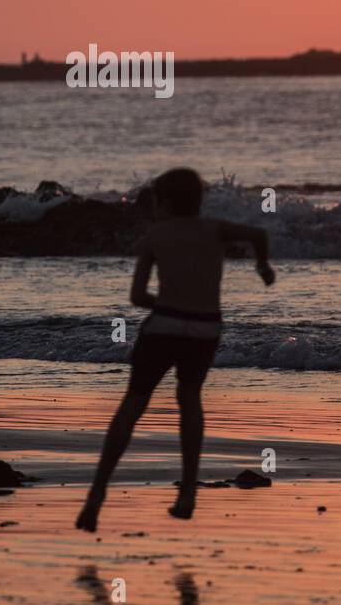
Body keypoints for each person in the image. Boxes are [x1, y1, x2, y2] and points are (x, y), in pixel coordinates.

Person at [75, 167, 275, 532]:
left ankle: (97, 494)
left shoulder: (156, 234)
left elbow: (136, 296)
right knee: (190, 399)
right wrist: (263, 267)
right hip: (205, 328)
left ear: (165, 203)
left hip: (165, 324)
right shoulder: (215, 228)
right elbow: (259, 234)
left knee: (132, 405)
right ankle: (187, 494)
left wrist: (168, 303)